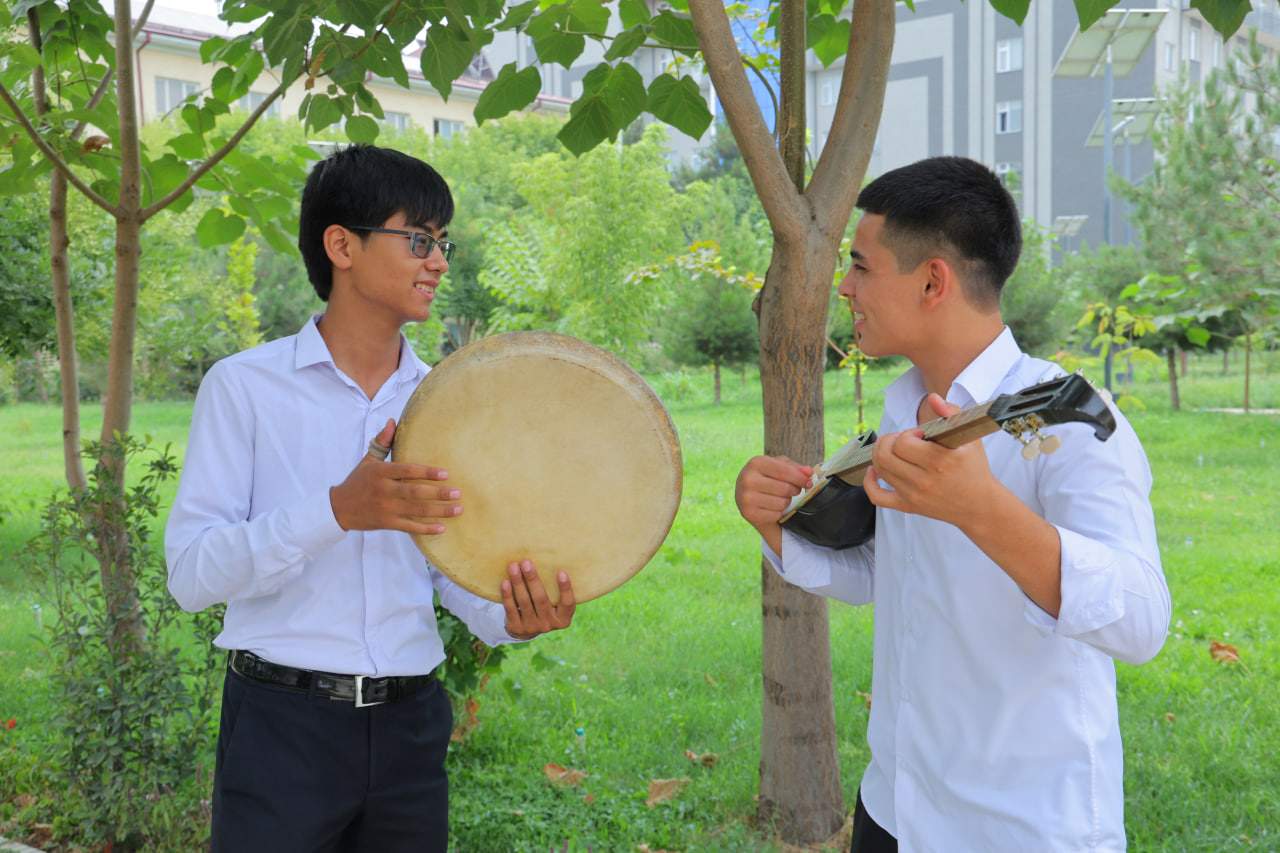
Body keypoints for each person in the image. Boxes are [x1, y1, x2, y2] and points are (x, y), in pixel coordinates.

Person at [734, 157, 1170, 852]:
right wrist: (777, 527)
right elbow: (889, 573)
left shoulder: (1067, 419)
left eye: (862, 266)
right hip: (895, 804)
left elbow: (1143, 621)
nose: (844, 287)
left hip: (1017, 826)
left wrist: (980, 508)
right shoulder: (904, 406)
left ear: (933, 280)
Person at [165, 145, 576, 851]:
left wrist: (514, 615)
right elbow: (192, 575)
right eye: (418, 239)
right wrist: (337, 511)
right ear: (341, 245)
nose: (439, 261)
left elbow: (453, 571)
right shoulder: (244, 388)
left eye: (443, 241)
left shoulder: (446, 401)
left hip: (410, 731)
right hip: (280, 729)